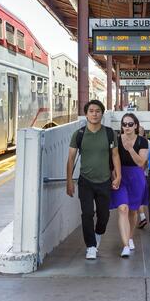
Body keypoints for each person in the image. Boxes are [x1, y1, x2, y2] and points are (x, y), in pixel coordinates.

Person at [66, 100, 121, 260]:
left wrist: (118, 176)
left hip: (104, 181)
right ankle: (90, 246)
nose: (94, 114)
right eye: (91, 111)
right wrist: (69, 181)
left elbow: (115, 155)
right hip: (85, 181)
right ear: (86, 114)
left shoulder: (110, 133)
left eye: (98, 111)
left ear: (102, 114)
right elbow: (70, 158)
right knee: (87, 213)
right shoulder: (79, 134)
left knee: (104, 215)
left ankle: (98, 233)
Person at [110, 113, 149, 257]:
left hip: (136, 177)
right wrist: (114, 175)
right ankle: (125, 245)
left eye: (130, 124)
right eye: (124, 124)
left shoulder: (142, 142)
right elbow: (113, 159)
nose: (127, 127)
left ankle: (130, 237)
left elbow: (141, 163)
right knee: (123, 208)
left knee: (133, 211)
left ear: (136, 126)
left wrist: (130, 148)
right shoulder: (116, 139)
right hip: (121, 175)